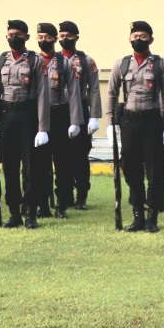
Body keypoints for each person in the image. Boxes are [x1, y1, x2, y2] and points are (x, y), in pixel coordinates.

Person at [106, 21, 164, 233]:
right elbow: (111, 93)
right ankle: (138, 214)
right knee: (130, 168)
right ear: (129, 39)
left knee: (155, 171)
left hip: (152, 121)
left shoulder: (162, 64)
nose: (138, 40)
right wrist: (110, 123)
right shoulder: (121, 64)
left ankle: (152, 216)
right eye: (135, 36)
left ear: (151, 39)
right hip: (129, 122)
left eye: (143, 36)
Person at [0, 19, 51, 229]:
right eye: (10, 34)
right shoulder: (0, 60)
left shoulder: (35, 60)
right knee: (9, 167)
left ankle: (31, 213)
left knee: (31, 168)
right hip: (7, 116)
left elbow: (43, 95)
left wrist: (42, 128)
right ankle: (14, 213)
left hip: (28, 116)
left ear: (26, 37)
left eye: (17, 34)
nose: (13, 38)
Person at [30, 22, 83, 219]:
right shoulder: (33, 61)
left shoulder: (64, 63)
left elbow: (75, 93)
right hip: (37, 117)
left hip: (59, 114)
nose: (43, 41)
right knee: (40, 164)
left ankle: (62, 204)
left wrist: (75, 121)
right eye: (40, 37)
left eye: (47, 37)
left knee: (62, 163)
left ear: (54, 39)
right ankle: (43, 205)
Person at [58, 21, 100, 211]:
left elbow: (94, 89)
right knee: (61, 156)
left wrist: (94, 116)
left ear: (76, 37)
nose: (65, 39)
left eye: (69, 36)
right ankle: (65, 195)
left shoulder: (86, 60)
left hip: (81, 110)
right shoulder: (54, 59)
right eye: (62, 36)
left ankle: (81, 196)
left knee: (80, 155)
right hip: (59, 109)